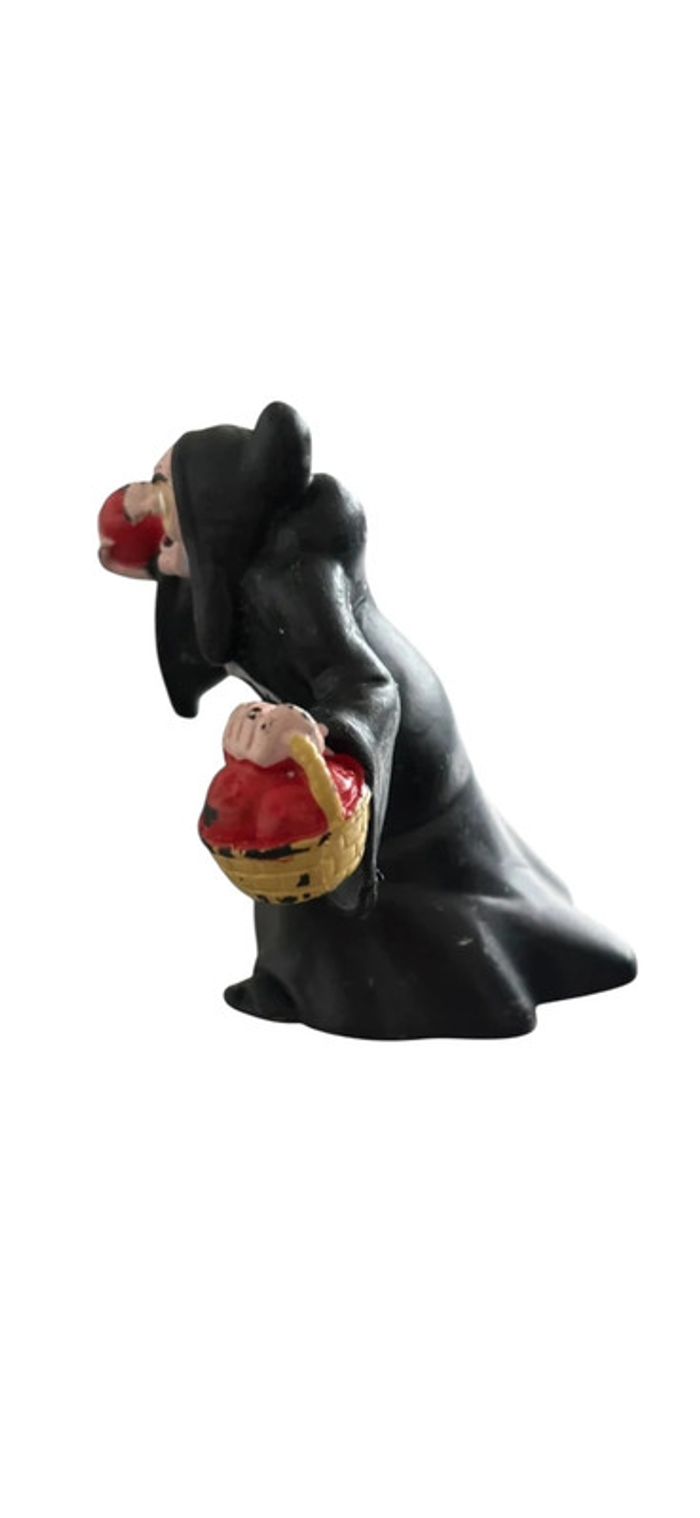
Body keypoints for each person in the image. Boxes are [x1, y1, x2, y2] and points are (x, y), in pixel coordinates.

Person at [98, 401, 636, 1038]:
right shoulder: (238, 567)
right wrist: (155, 556)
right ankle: (292, 979)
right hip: (329, 763)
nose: (140, 502)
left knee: (347, 883)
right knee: (291, 869)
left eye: (163, 491)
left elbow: (370, 685)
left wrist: (314, 731)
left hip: (400, 760)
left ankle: (415, 990)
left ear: (212, 519)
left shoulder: (294, 584)